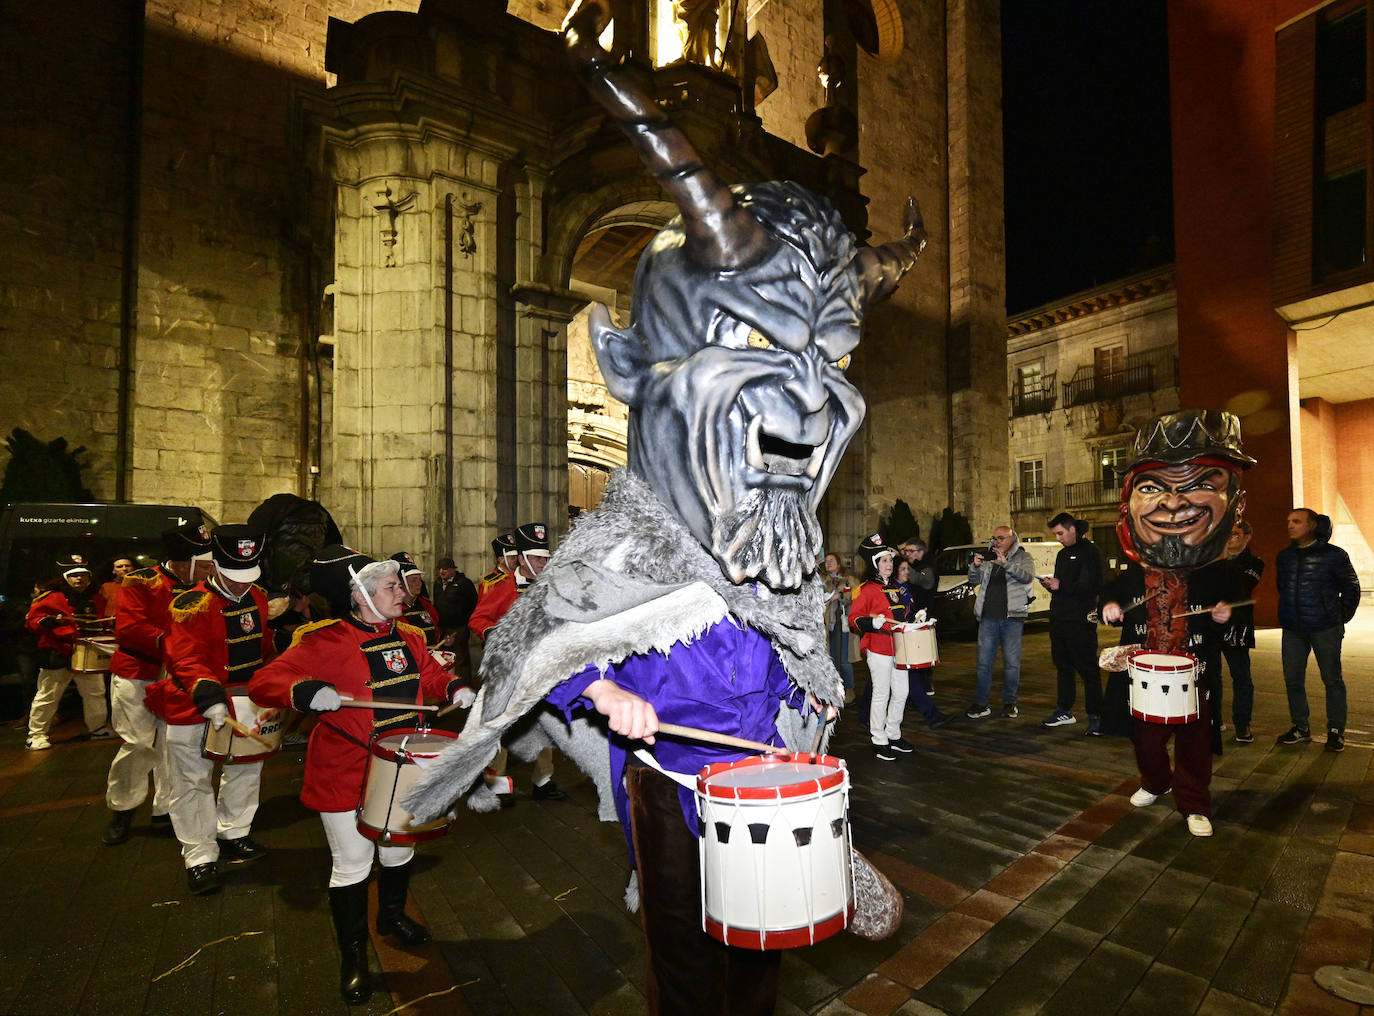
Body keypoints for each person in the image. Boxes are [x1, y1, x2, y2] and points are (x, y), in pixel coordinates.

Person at [403, 7, 923, 1008]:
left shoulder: (782, 546)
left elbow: (808, 665)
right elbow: (533, 650)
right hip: (676, 786)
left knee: (764, 948)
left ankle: (830, 862)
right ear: (636, 368)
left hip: (765, 772)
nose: (809, 397)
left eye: (830, 359)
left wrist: (805, 719)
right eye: (756, 341)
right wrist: (605, 697)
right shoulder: (614, 542)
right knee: (688, 960)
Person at [250, 548, 475, 1004]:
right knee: (352, 863)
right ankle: (353, 957)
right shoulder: (321, 641)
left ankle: (390, 916)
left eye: (398, 585)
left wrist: (454, 686)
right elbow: (263, 683)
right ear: (358, 594)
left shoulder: (409, 636)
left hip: (401, 765)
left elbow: (429, 674)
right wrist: (305, 691)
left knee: (397, 853)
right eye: (391, 587)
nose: (402, 593)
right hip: (344, 769)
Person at [1101, 409, 1250, 838]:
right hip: (1143, 669)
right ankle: (1154, 781)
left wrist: (1226, 615)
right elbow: (1111, 593)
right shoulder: (1135, 569)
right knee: (1144, 738)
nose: (1172, 503)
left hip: (1195, 668)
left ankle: (1193, 802)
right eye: (1152, 487)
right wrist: (1111, 607)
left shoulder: (1220, 570)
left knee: (1194, 741)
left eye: (1200, 484)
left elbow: (1237, 608)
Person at [145, 525, 274, 895]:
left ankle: (234, 832)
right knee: (191, 781)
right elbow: (184, 658)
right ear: (214, 565)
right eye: (234, 578)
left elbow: (260, 644)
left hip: (246, 703)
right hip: (195, 705)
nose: (241, 586)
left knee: (247, 772)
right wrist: (209, 694)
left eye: (248, 577)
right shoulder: (189, 604)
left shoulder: (259, 597)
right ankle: (199, 856)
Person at [102, 521, 213, 846]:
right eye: (203, 565)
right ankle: (123, 807)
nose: (208, 571)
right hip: (138, 672)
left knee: (171, 746)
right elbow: (129, 629)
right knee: (137, 744)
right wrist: (174, 643)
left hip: (178, 676)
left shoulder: (203, 588)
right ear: (183, 562)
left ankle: (163, 809)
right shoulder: (141, 581)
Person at [467, 523, 566, 804]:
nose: (544, 563)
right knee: (501, 726)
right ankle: (496, 782)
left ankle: (543, 780)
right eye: (537, 558)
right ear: (521, 559)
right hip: (508, 671)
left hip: (542, 670)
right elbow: (477, 619)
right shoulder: (500, 587)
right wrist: (494, 634)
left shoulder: (552, 589)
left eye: (546, 558)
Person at [1275, 508, 1360, 752]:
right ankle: (1300, 727)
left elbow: (1351, 587)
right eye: (1289, 521)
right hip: (1293, 628)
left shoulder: (1334, 555)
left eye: (1297, 521)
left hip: (1325, 628)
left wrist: (1339, 617)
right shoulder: (1285, 556)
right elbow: (1282, 586)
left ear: (1312, 525)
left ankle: (1335, 730)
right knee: (1292, 679)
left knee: (1332, 679)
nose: (1290, 525)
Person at [24, 557, 113, 749]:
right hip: (58, 653)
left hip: (89, 653)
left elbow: (104, 621)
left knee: (95, 693)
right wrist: (47, 622)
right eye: (74, 575)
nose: (79, 578)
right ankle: (36, 734)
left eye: (82, 574)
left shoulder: (97, 597)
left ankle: (97, 728)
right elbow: (33, 620)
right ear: (66, 578)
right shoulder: (50, 597)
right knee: (48, 695)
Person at [850, 536, 913, 760]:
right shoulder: (865, 589)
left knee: (902, 692)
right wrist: (871, 622)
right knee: (881, 693)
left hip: (900, 648)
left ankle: (893, 733)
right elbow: (854, 619)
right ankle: (878, 739)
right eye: (884, 560)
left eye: (890, 560)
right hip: (878, 647)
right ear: (876, 564)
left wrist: (916, 617)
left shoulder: (896, 588)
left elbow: (902, 614)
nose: (889, 564)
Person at [1040, 512, 1102, 733]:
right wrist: (1052, 584)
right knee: (1063, 667)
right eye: (1056, 534)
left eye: (1060, 533)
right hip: (1059, 620)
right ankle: (1064, 710)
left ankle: (1096, 716)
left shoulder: (1091, 552)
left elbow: (1090, 586)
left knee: (1088, 670)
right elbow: (1063, 585)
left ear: (1072, 529)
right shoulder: (1063, 555)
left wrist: (1061, 585)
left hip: (1080, 622)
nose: (1058, 538)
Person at [965, 527, 1034, 719]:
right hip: (988, 617)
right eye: (994, 538)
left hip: (1013, 618)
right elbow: (973, 580)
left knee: (1012, 663)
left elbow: (1027, 577)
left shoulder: (1023, 557)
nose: (996, 541)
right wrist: (975, 566)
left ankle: (1010, 703)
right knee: (983, 663)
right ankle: (981, 703)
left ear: (1012, 538)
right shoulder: (989, 557)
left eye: (1001, 538)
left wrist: (1006, 564)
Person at [1221, 520, 1263, 743]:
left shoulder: (1254, 563)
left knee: (1241, 676)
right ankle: (1213, 720)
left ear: (1247, 537)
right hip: (1212, 625)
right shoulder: (1215, 558)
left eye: (1236, 533)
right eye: (1229, 533)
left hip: (1237, 627)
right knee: (1210, 675)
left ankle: (1242, 724)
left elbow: (1241, 587)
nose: (1231, 537)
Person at [433, 555, 477, 680]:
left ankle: (464, 686)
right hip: (442, 627)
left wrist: (466, 622)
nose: (442, 571)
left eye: (445, 569)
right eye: (440, 568)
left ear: (453, 570)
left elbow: (473, 603)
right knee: (444, 658)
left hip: (459, 628)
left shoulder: (464, 583)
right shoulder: (437, 583)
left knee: (460, 658)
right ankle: (446, 685)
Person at [821, 552, 855, 701]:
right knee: (832, 658)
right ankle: (835, 688)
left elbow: (853, 597)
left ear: (839, 563)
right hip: (830, 625)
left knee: (844, 660)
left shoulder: (848, 580)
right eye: (826, 561)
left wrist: (838, 596)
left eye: (831, 560)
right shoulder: (824, 582)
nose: (828, 563)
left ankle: (850, 689)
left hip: (845, 624)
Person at [393, 554, 440, 646]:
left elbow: (435, 633)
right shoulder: (393, 611)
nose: (419, 583)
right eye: (414, 580)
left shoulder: (426, 606)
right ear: (401, 583)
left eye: (419, 579)